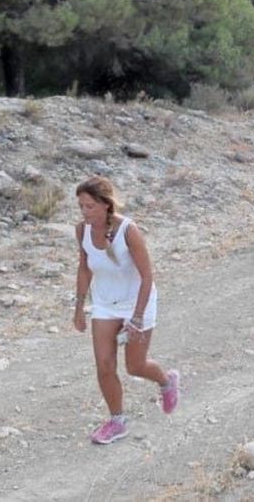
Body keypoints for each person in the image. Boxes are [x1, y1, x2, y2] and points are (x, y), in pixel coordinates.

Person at [72, 176, 180, 446]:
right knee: (105, 366)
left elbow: (147, 275)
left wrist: (137, 317)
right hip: (105, 304)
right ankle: (117, 421)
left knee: (135, 366)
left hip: (137, 302)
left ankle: (166, 381)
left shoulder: (128, 230)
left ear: (106, 205)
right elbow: (84, 267)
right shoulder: (81, 230)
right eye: (81, 206)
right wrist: (78, 307)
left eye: (90, 207)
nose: (85, 212)